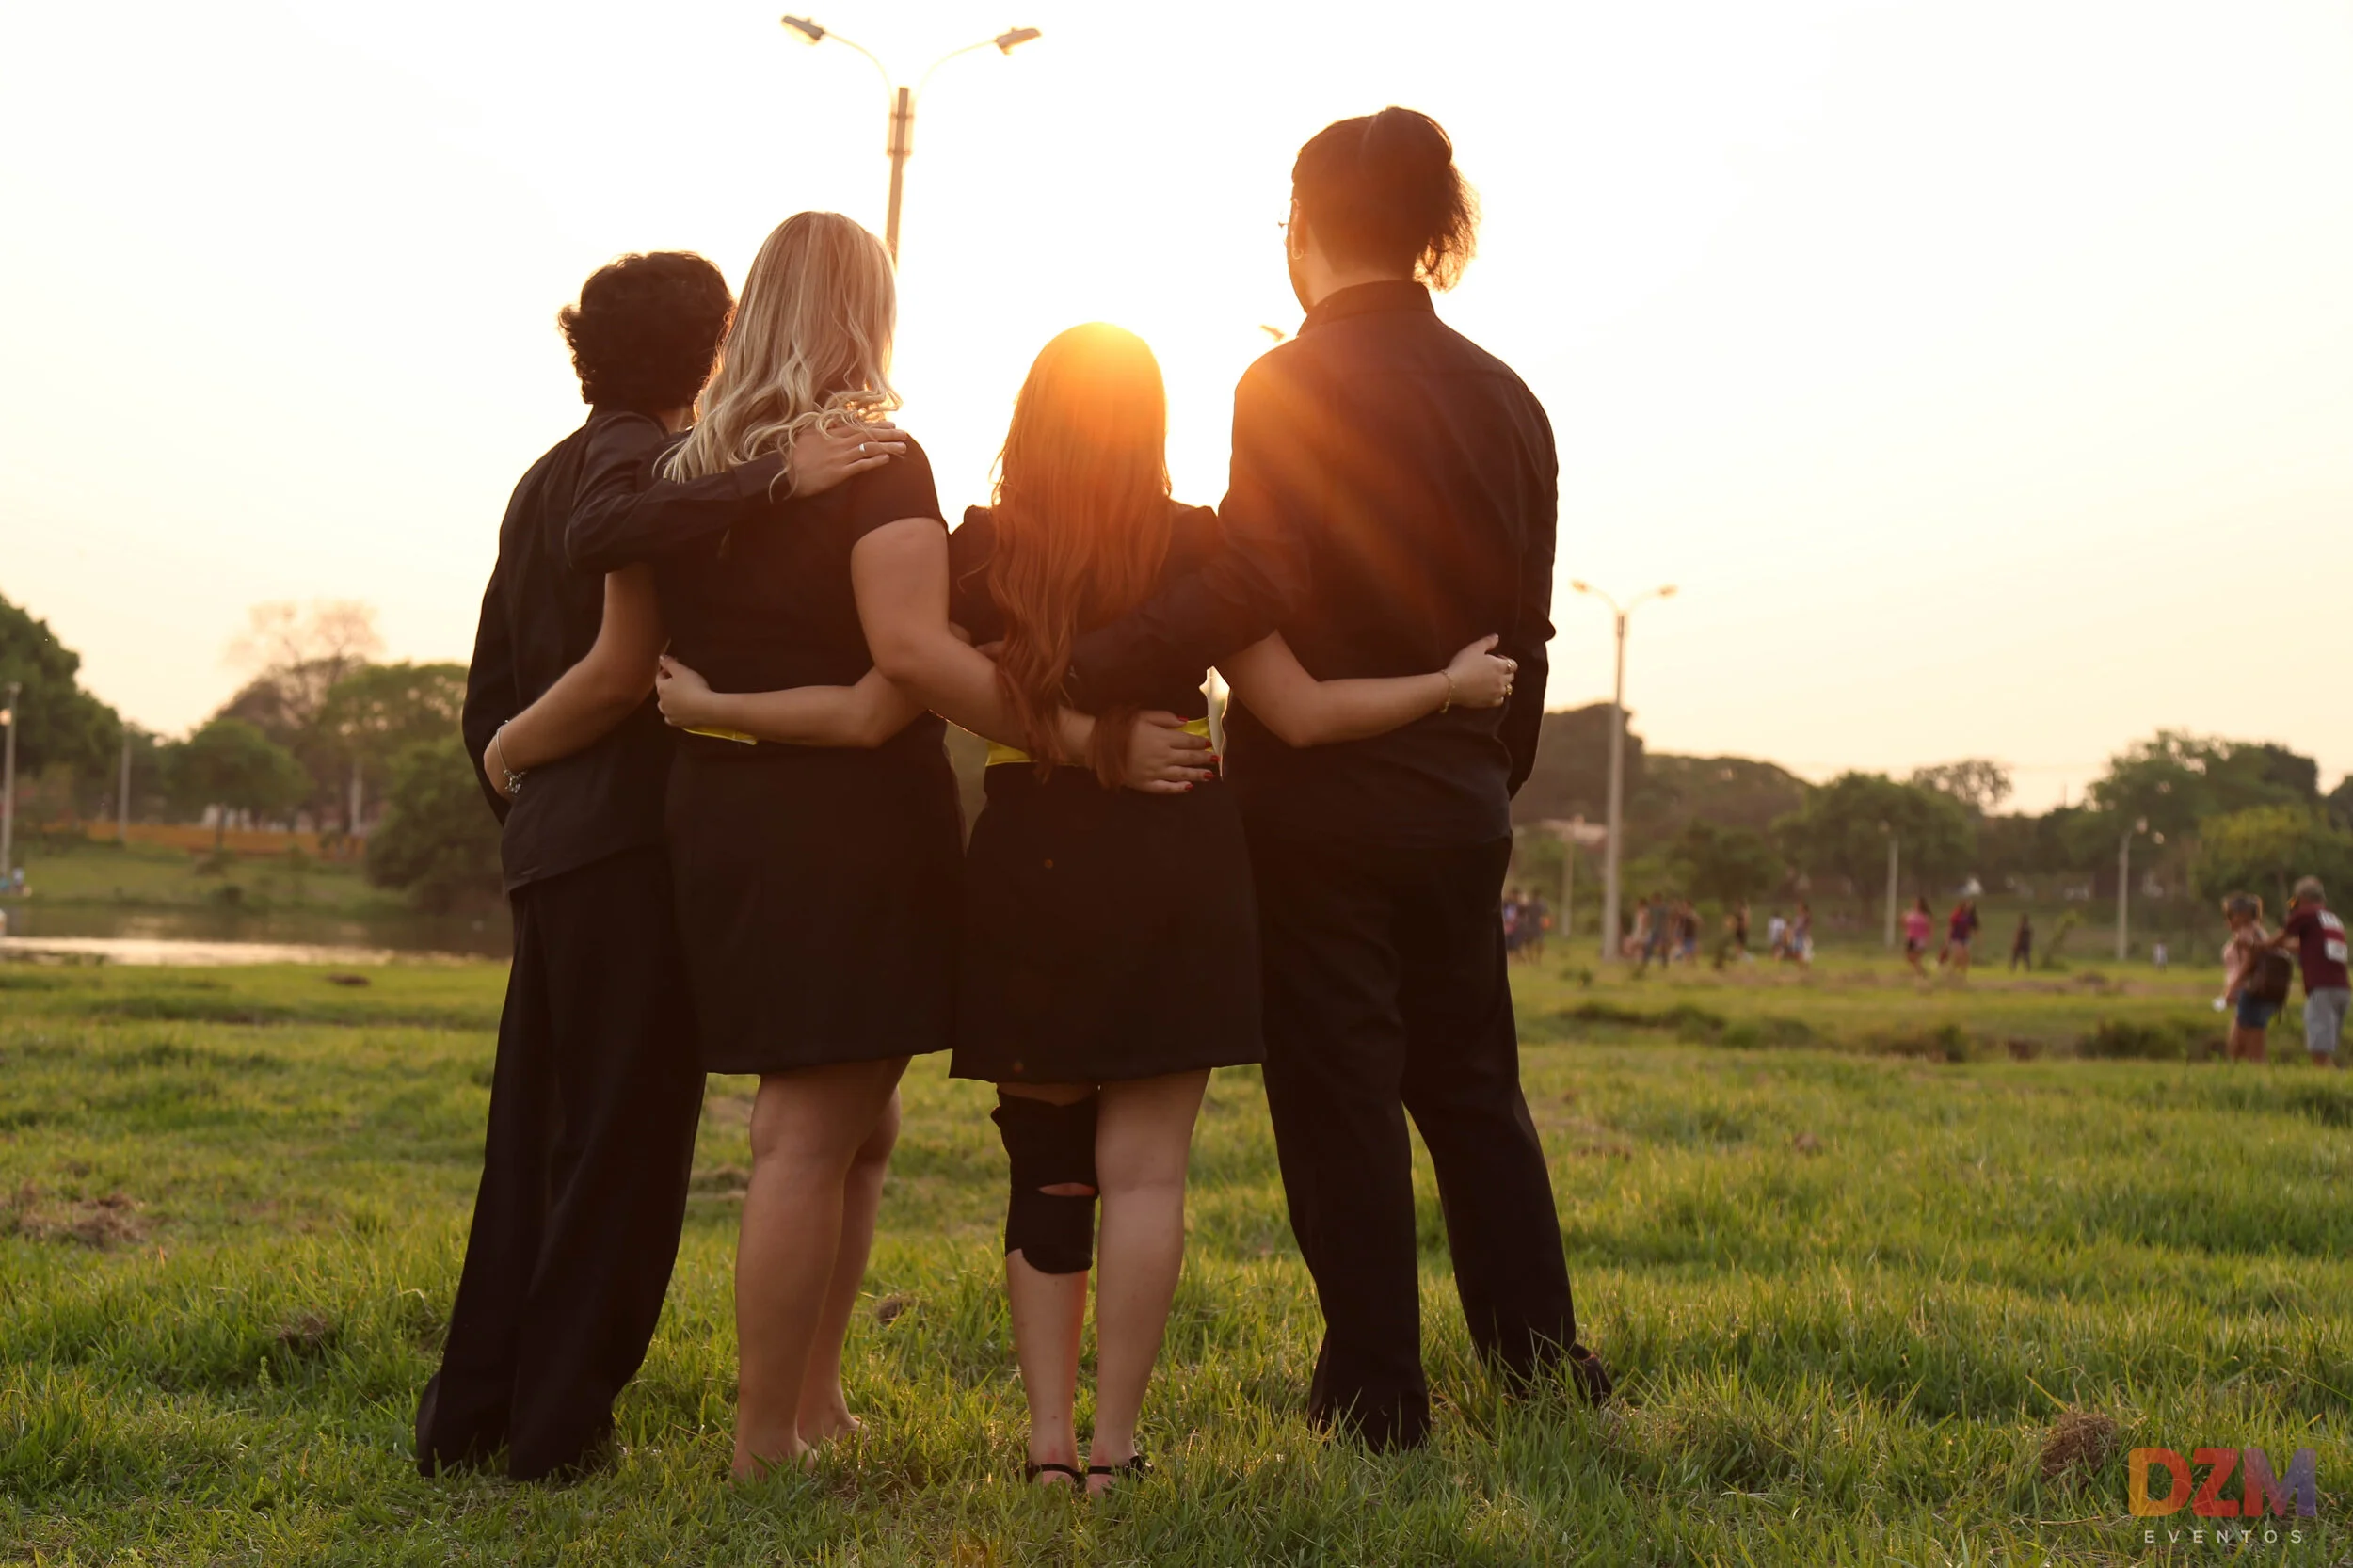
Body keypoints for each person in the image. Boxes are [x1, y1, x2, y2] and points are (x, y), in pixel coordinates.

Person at [1052, 108, 1609, 1449]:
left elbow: (1261, 577)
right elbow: (1526, 632)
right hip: (1460, 792)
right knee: (1475, 1085)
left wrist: (1091, 666)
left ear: (1301, 229)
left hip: (1316, 802)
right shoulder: (1509, 396)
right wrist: (1485, 769)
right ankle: (1539, 1362)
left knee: (1342, 1093)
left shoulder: (1285, 385)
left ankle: (1376, 1387)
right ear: (1439, 229)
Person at [552, 212, 1012, 1479]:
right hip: (848, 822)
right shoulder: (880, 459)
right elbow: (904, 665)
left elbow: (632, 647)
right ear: (871, 313)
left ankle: (817, 1397)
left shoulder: (688, 471)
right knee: (805, 1137)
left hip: (726, 821)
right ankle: (766, 1437)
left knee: (861, 1128)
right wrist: (1064, 732)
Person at [422, 251, 875, 1482]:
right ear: (713, 350)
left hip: (551, 849)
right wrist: (777, 476)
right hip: (624, 846)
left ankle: (470, 1415)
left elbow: (490, 678)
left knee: (535, 1141)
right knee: (620, 1153)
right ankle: (559, 1427)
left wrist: (504, 765)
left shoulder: (539, 476)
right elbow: (617, 673)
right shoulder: (656, 470)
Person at [2268, 877, 2349, 1067]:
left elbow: (2280, 936)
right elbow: (2302, 946)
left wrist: (2259, 946)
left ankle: (2328, 1088)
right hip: (2341, 990)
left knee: (2319, 1051)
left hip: (2322, 989)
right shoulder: (2332, 919)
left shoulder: (2305, 914)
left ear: (2302, 898)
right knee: (2325, 1048)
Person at [2219, 893, 2280, 1064]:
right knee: (2237, 1044)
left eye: (2230, 915)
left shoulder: (2247, 933)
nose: (2228, 920)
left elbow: (2250, 961)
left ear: (2242, 915)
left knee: (2252, 1050)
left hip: (2250, 992)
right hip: (2256, 993)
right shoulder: (2260, 933)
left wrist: (2233, 986)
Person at [1944, 898, 1980, 977]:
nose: (1970, 905)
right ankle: (1950, 973)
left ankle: (1962, 975)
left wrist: (1978, 939)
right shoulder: (1956, 914)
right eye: (1968, 904)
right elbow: (1951, 927)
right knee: (1958, 956)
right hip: (1956, 938)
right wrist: (1947, 938)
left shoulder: (1972, 916)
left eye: (1971, 904)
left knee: (1966, 957)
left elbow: (1975, 928)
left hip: (1966, 938)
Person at [1902, 897, 1932, 976]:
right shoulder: (1910, 913)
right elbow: (1905, 923)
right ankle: (1921, 972)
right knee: (1909, 957)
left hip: (1920, 938)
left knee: (1916, 957)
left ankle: (1921, 974)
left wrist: (1928, 939)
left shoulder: (1925, 915)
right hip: (1911, 937)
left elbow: (1930, 927)